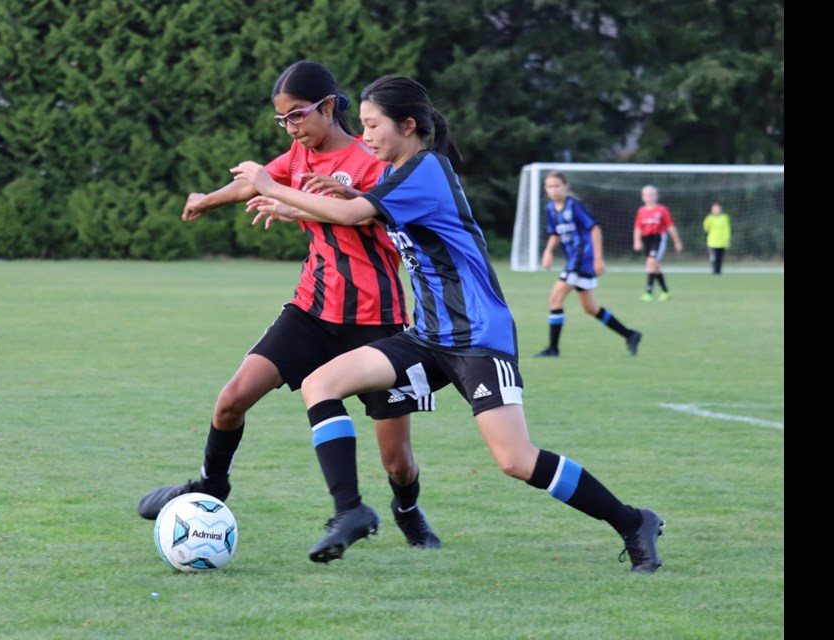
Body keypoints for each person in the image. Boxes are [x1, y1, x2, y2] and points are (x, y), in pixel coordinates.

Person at [233, 75, 665, 572]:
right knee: (321, 383)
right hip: (428, 336)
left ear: (408, 125)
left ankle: (633, 521)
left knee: (515, 460)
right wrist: (300, 204)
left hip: (478, 337)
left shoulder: (426, 170)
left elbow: (354, 214)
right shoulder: (401, 173)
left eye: (374, 126)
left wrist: (271, 185)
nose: (366, 135)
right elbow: (364, 211)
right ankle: (350, 511)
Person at [137, 61, 442, 551]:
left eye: (297, 116)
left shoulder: (378, 158)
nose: (292, 129)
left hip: (376, 321)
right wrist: (206, 199)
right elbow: (253, 183)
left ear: (327, 106)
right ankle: (211, 488)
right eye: (283, 121)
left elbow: (370, 218)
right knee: (232, 399)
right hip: (311, 311)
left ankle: (406, 510)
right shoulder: (296, 157)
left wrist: (295, 204)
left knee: (397, 460)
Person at [533, 171, 642, 358]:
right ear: (545, 189)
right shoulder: (550, 209)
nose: (553, 190)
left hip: (582, 259)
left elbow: (594, 228)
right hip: (573, 260)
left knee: (555, 299)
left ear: (565, 186)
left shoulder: (574, 206)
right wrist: (548, 252)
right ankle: (630, 334)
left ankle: (553, 348)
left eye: (557, 185)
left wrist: (598, 258)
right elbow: (555, 233)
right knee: (591, 308)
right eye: (550, 186)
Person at [633, 185, 682, 301]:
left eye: (652, 195)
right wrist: (637, 241)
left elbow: (670, 226)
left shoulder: (662, 210)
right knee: (655, 266)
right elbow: (638, 228)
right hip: (647, 239)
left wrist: (677, 242)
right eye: (647, 195)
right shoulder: (641, 211)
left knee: (651, 262)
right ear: (643, 197)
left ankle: (648, 292)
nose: (649, 197)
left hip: (658, 238)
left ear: (656, 196)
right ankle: (665, 292)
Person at [703, 202, 731, 275]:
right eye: (714, 209)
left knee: (719, 258)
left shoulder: (724, 217)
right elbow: (705, 228)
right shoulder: (709, 218)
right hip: (712, 242)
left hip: (722, 242)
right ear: (712, 210)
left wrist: (727, 240)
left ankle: (718, 271)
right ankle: (715, 271)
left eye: (717, 209)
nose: (716, 210)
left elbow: (727, 229)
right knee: (713, 258)